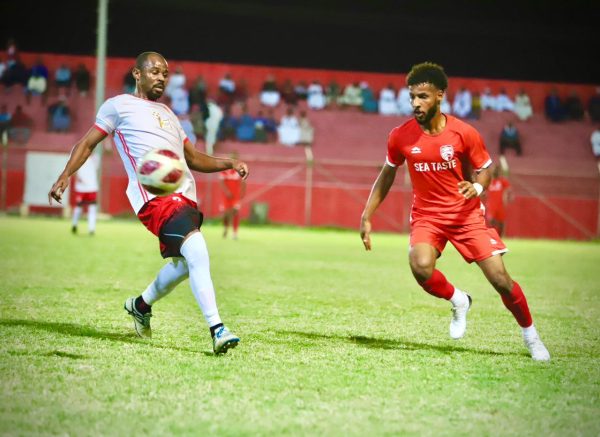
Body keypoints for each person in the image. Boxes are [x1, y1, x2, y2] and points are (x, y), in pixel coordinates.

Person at [48, 52, 248, 355]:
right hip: (154, 199)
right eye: (155, 71)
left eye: (165, 74)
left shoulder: (169, 114)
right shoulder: (118, 106)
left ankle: (140, 306)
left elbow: (193, 158)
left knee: (185, 264)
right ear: (137, 73)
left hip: (184, 197)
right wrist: (66, 174)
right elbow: (87, 143)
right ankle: (217, 329)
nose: (161, 78)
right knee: (197, 250)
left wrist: (228, 162)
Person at [360, 62, 550, 361]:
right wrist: (367, 215)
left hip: (466, 216)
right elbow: (387, 174)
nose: (415, 103)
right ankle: (459, 300)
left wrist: (476, 187)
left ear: (440, 95)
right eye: (412, 97)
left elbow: (485, 169)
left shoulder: (464, 133)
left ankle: (531, 336)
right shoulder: (400, 136)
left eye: (423, 96)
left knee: (500, 279)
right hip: (427, 216)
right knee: (420, 266)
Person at [219, 152, 246, 240]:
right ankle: (226, 227)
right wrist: (226, 192)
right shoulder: (224, 170)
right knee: (226, 214)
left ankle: (235, 233)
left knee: (235, 213)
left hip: (236, 196)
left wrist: (242, 192)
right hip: (226, 196)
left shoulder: (240, 170)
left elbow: (243, 181)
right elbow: (221, 182)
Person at [71, 153, 99, 235]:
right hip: (81, 187)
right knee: (78, 207)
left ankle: (91, 229)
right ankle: (74, 224)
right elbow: (73, 170)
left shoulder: (95, 158)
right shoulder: (78, 156)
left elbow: (108, 152)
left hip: (92, 187)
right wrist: (77, 177)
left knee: (92, 208)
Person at [484, 165, 512, 236]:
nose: (495, 172)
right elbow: (484, 192)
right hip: (491, 205)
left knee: (501, 222)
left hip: (500, 205)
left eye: (497, 170)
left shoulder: (502, 181)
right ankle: (493, 235)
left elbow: (508, 190)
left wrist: (508, 198)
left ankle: (501, 236)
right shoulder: (489, 181)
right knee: (491, 221)